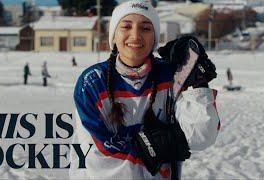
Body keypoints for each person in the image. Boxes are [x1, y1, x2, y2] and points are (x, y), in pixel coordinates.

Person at [70, 0, 220, 179]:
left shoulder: (171, 75)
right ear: (114, 36)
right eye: (126, 26)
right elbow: (97, 156)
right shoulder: (92, 82)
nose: (135, 35)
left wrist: (197, 81)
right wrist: (149, 148)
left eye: (146, 28)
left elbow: (202, 135)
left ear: (154, 38)